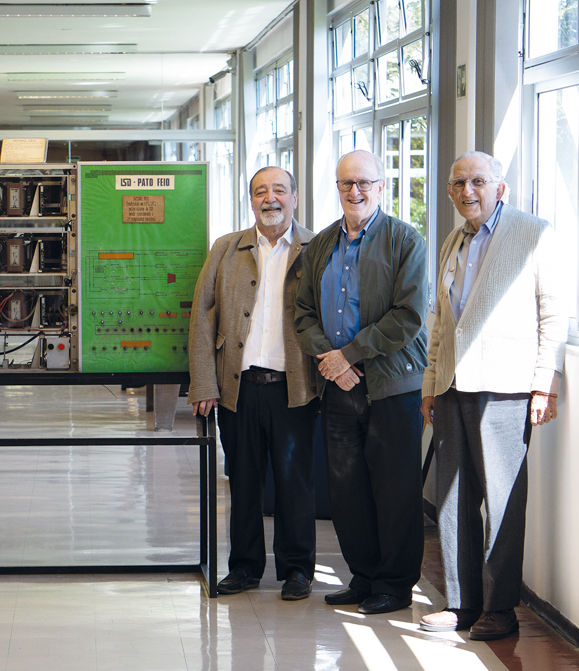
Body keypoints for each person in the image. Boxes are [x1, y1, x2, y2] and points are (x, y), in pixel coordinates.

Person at [418, 152, 567, 640]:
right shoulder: (452, 240)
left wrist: (544, 381)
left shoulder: (533, 231)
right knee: (453, 498)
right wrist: (429, 385)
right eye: (458, 182)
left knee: (502, 501)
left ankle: (500, 610)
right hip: (452, 386)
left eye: (478, 181)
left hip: (505, 388)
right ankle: (461, 604)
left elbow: (552, 313)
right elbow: (440, 321)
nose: (468, 191)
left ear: (499, 188)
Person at [294, 149, 428, 615]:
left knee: (394, 488)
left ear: (382, 187)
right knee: (346, 487)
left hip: (391, 385)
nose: (355, 192)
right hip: (337, 385)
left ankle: (394, 583)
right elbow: (303, 311)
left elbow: (407, 317)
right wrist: (330, 360)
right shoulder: (321, 245)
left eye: (364, 183)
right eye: (347, 183)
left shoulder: (405, 240)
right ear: (337, 188)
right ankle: (364, 576)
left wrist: (349, 355)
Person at [189, 167, 318, 600]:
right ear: (251, 201)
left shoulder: (316, 248)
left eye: (279, 190)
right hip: (238, 387)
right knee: (242, 479)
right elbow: (202, 317)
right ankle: (244, 568)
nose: (270, 198)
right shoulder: (227, 249)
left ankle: (297, 570)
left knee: (293, 481)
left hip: (295, 388)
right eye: (261, 191)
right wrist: (204, 383)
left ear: (294, 198)